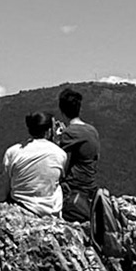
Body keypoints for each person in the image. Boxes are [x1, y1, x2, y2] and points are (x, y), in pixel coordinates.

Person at [3, 111, 68, 217]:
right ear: (49, 131)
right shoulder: (61, 154)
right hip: (50, 212)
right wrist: (57, 142)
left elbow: (6, 188)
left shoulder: (12, 152)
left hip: (20, 209)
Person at [53, 87, 102, 225]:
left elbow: (52, 156)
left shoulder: (69, 133)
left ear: (62, 110)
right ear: (79, 109)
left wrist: (57, 137)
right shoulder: (92, 130)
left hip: (73, 190)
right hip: (90, 189)